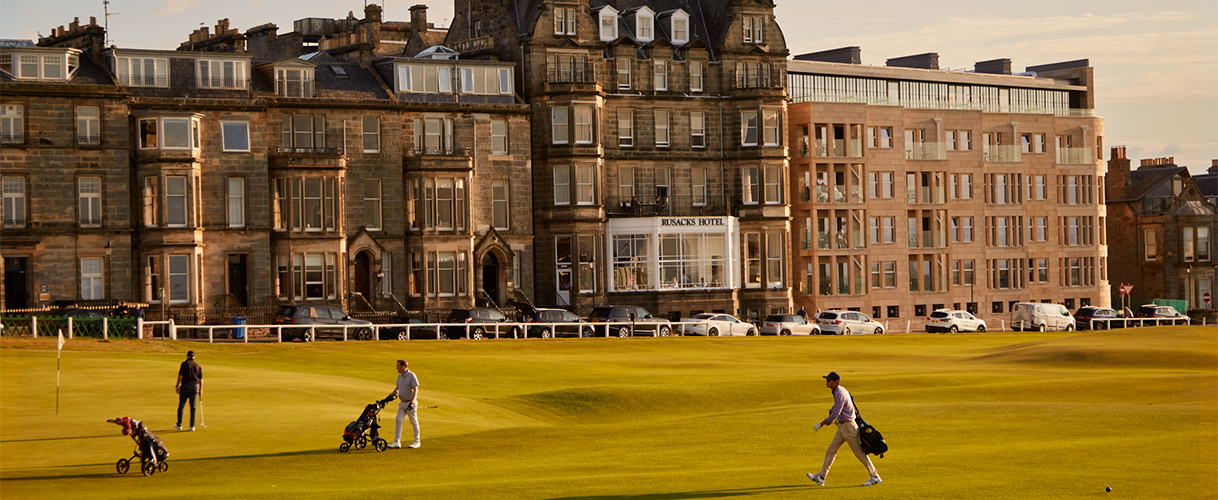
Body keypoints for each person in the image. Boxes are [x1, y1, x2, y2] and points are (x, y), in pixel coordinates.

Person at [807, 371, 881, 487]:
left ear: (836, 382)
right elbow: (838, 408)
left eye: (829, 379)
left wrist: (822, 424)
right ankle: (821, 477)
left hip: (848, 427)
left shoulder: (839, 393)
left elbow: (836, 413)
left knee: (860, 453)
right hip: (843, 427)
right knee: (831, 450)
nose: (827, 381)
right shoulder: (839, 391)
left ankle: (875, 476)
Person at [388, 359, 420, 449]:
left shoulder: (411, 375)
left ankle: (417, 441)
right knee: (398, 420)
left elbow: (416, 389)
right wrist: (392, 394)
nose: (396, 368)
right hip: (402, 403)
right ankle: (397, 442)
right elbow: (397, 388)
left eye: (398, 366)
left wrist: (412, 401)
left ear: (403, 367)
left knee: (413, 422)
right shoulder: (399, 376)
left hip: (410, 403)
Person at [174, 351, 202, 431]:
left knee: (181, 405)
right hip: (195, 387)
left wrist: (177, 385)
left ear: (188, 356)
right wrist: (201, 390)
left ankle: (179, 425)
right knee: (193, 407)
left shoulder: (184, 364)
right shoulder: (198, 365)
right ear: (194, 357)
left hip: (185, 386)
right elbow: (201, 379)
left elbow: (180, 375)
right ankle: (192, 426)